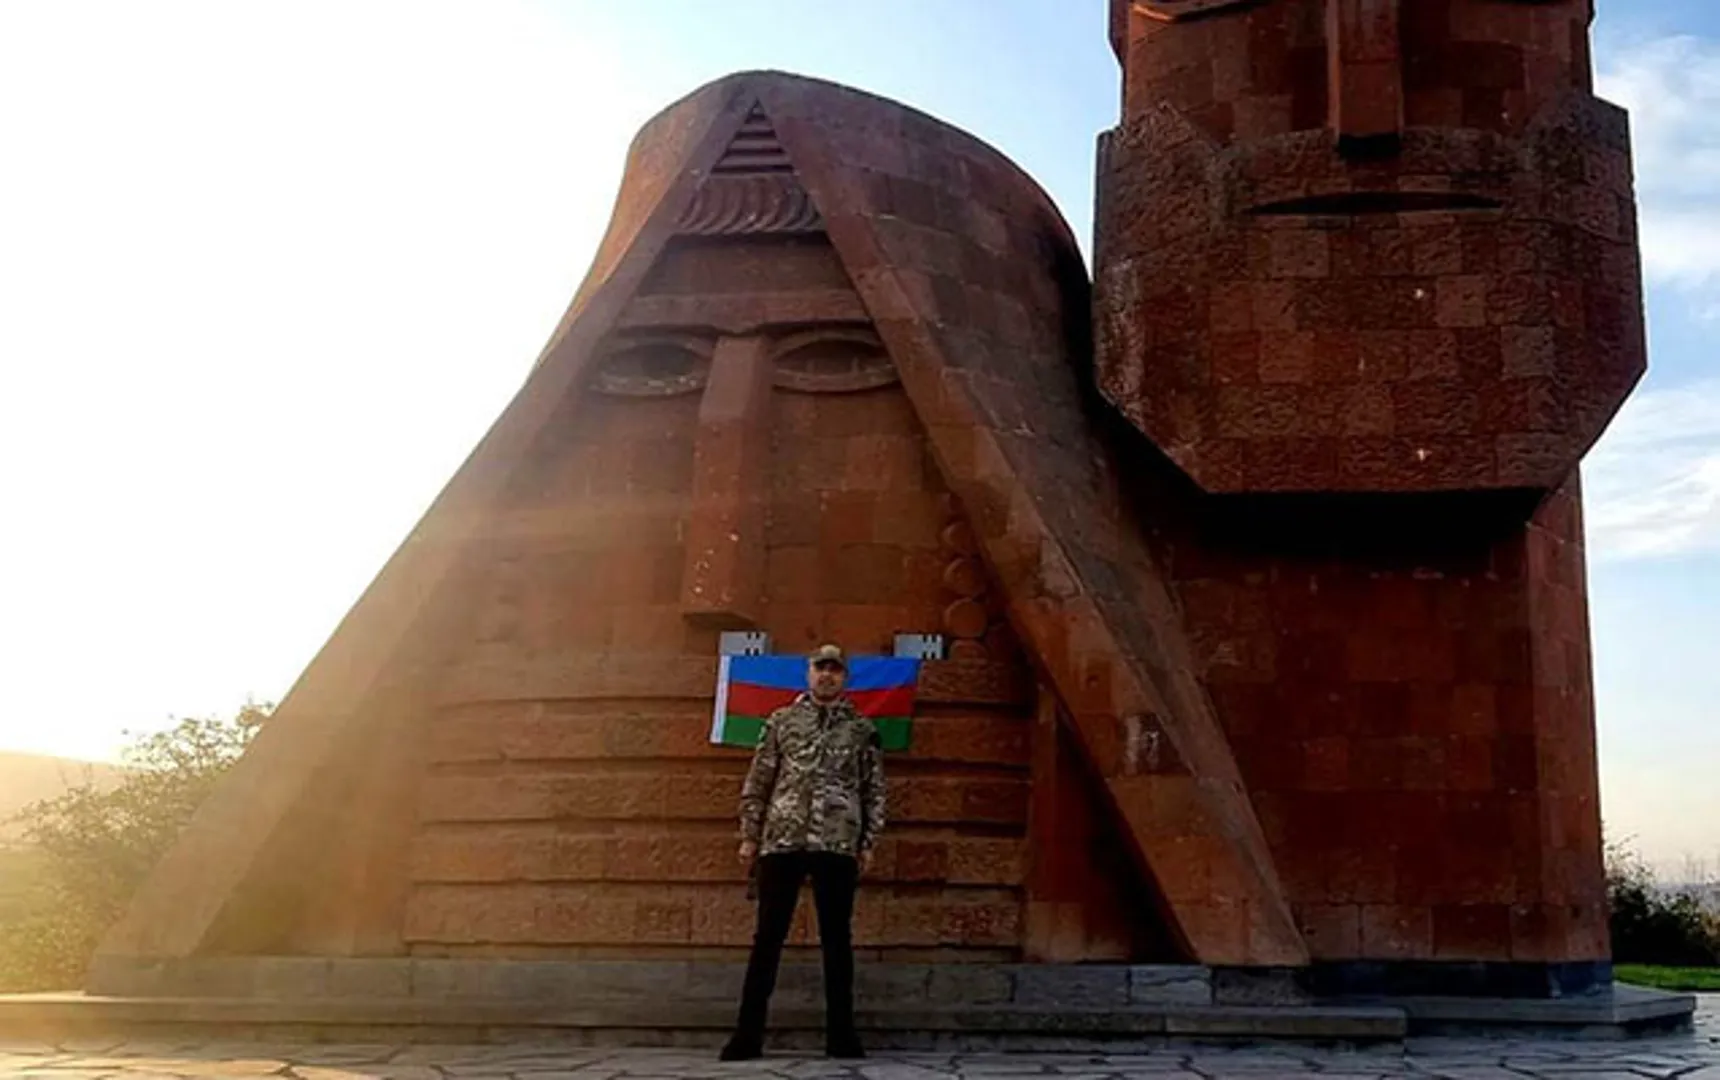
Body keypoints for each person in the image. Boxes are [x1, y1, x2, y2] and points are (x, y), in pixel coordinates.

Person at [720, 644, 887, 1062]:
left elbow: (874, 789)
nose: (826, 675)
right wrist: (750, 835)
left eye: (835, 669)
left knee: (837, 941)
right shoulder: (781, 721)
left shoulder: (861, 729)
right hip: (783, 839)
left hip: (837, 841)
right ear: (808, 673)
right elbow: (759, 780)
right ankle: (746, 1037)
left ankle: (842, 1038)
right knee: (767, 938)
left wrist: (869, 841)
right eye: (820, 668)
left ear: (844, 677)